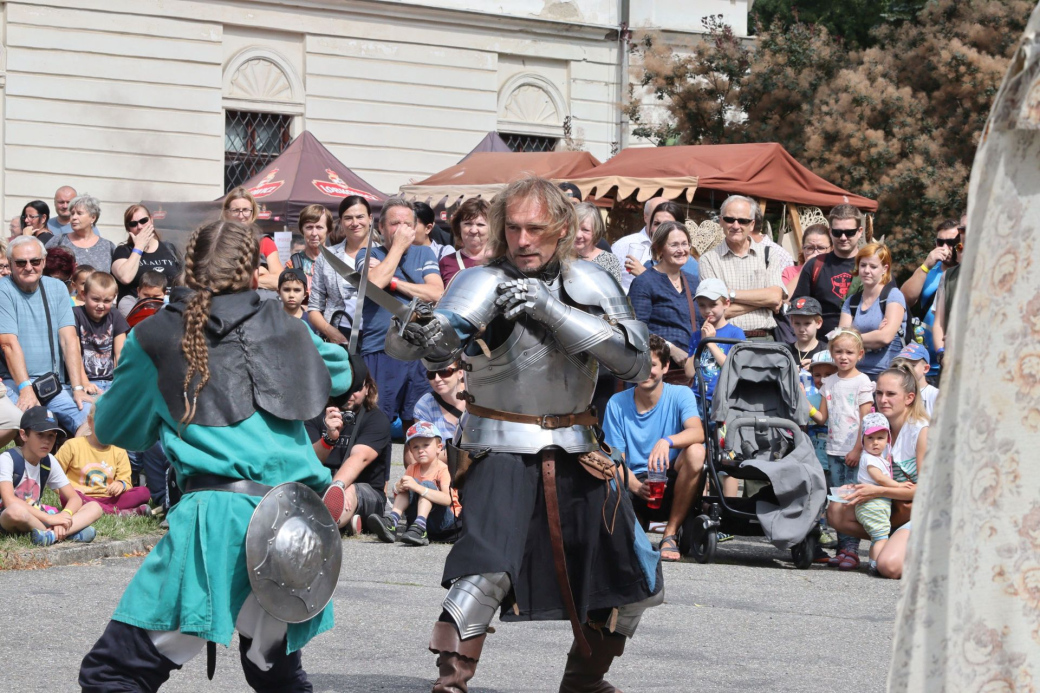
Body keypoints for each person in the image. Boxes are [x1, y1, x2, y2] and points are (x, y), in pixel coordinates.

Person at [393, 176, 661, 692]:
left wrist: (550, 309)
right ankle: (450, 683)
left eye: (534, 228)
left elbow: (634, 360)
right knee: (484, 571)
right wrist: (421, 336)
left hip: (580, 449)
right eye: (512, 228)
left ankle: (583, 680)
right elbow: (445, 337)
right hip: (498, 444)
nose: (522, 240)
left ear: (562, 228)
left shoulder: (591, 281)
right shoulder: (480, 280)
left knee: (628, 579)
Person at [78, 219, 353, 691]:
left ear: (189, 268)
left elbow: (117, 428)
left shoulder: (157, 336)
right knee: (278, 678)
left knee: (113, 674)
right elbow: (341, 373)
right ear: (254, 274)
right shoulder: (289, 328)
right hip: (294, 524)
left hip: (220, 522)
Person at [604, 334, 706, 562]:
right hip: (634, 480)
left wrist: (667, 441)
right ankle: (636, 523)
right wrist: (636, 486)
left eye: (652, 365)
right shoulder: (617, 403)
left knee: (697, 451)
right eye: (639, 364)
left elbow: (698, 432)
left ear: (666, 367)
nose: (644, 371)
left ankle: (670, 533)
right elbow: (614, 457)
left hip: (670, 478)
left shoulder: (681, 394)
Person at [830, 364, 927, 580]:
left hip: (923, 512)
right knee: (836, 509)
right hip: (894, 506)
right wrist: (860, 488)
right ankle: (893, 540)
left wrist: (876, 491)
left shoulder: (921, 430)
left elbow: (928, 492)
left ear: (909, 398)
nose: (883, 400)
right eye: (879, 393)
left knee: (889, 567)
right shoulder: (878, 427)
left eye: (891, 394)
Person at [355, 197, 443, 429]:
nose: (401, 229)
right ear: (381, 227)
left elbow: (436, 293)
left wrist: (393, 283)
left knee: (419, 429)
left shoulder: (425, 254)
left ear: (415, 228)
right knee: (375, 424)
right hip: (380, 350)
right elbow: (374, 283)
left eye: (407, 224)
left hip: (418, 352)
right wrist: (397, 247)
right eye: (394, 223)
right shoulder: (366, 254)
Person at [0, 236, 93, 435]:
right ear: (10, 264)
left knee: (91, 419)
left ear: (43, 262)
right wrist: (25, 389)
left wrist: (77, 387)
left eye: (35, 261)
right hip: (15, 382)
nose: (28, 267)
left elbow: (69, 340)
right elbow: (8, 344)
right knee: (32, 427)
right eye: (20, 262)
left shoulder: (58, 288)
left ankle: (72, 464)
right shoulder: (3, 289)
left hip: (52, 383)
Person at [807, 328, 874, 570]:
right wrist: (807, 407)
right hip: (833, 450)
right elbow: (822, 418)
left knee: (851, 501)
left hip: (853, 451)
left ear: (860, 354)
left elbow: (866, 420)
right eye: (838, 352)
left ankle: (851, 550)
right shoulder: (829, 382)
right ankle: (843, 547)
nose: (843, 357)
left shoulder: (862, 382)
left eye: (849, 352)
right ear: (831, 353)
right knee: (836, 499)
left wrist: (858, 449)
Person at [311, 361, 392, 536]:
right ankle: (346, 522)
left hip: (365, 491)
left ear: (368, 388)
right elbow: (309, 460)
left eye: (356, 389)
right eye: (344, 389)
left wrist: (337, 487)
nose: (349, 395)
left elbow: (359, 457)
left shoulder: (377, 420)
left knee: (350, 490)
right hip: (323, 483)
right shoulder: (316, 415)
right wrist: (329, 439)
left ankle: (326, 519)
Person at [0, 407, 102, 545]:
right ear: (23, 435)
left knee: (94, 507)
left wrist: (64, 515)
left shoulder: (48, 460)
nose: (46, 441)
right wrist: (50, 519)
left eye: (51, 435)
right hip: (8, 517)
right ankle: (67, 533)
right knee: (15, 511)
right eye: (40, 435)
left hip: (37, 517)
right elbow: (9, 501)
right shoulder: (8, 458)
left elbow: (74, 498)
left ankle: (51, 535)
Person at [698, 195, 785, 340]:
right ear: (721, 221)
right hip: (725, 339)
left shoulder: (769, 254)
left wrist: (730, 294)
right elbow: (714, 312)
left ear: (752, 224)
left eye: (743, 221)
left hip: (763, 339)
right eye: (730, 219)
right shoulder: (708, 260)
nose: (736, 226)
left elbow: (775, 298)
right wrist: (763, 303)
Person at [369, 421, 461, 546]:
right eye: (415, 447)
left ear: (439, 447)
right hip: (415, 519)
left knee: (426, 485)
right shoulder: (412, 468)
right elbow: (404, 495)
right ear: (411, 451)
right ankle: (392, 522)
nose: (420, 450)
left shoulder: (443, 470)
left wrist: (418, 488)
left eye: (426, 445)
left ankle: (420, 527)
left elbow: (447, 499)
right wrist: (398, 488)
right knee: (408, 484)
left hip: (443, 523)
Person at [55, 406, 150, 516]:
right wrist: (69, 491)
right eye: (102, 423)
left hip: (109, 498)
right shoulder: (72, 446)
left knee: (144, 492)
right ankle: (118, 513)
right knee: (68, 497)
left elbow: (126, 481)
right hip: (81, 497)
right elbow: (54, 475)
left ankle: (108, 510)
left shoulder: (119, 450)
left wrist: (120, 484)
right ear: (90, 422)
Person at [629, 220, 698, 367]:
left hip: (691, 365)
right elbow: (637, 329)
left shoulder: (693, 282)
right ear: (659, 249)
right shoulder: (645, 282)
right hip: (658, 366)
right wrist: (671, 349)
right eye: (674, 245)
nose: (681, 250)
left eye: (685, 244)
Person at [899, 218, 961, 379]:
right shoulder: (929, 270)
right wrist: (926, 265)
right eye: (940, 242)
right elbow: (904, 299)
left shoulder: (967, 272)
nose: (945, 248)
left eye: (951, 242)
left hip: (954, 361)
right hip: (923, 365)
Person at [791, 204, 865, 339]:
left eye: (849, 232)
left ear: (860, 231)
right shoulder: (815, 265)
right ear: (830, 232)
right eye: (837, 232)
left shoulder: (872, 265)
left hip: (864, 343)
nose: (843, 237)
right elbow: (798, 308)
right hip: (821, 346)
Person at [307, 195, 370, 345]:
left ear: (370, 219)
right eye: (348, 218)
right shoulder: (327, 257)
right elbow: (315, 306)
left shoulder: (384, 254)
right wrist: (329, 331)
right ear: (341, 222)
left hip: (376, 334)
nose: (355, 223)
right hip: (339, 333)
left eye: (360, 217)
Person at [839, 243, 907, 379]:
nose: (866, 271)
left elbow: (885, 337)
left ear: (884, 269)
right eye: (863, 265)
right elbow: (841, 340)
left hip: (887, 374)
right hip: (854, 374)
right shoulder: (851, 302)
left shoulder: (893, 295)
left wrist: (854, 336)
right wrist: (875, 335)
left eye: (873, 266)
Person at [111, 204, 181, 317]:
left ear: (151, 220)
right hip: (135, 313)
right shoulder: (123, 251)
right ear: (128, 228)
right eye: (133, 224)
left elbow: (181, 280)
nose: (139, 226)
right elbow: (125, 277)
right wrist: (138, 247)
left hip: (167, 312)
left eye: (143, 221)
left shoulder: (169, 248)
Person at [851, 412, 900, 573]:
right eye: (870, 438)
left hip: (875, 505)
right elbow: (880, 479)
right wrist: (898, 486)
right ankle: (877, 564)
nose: (875, 443)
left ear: (888, 439)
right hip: (872, 505)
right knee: (881, 537)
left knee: (877, 537)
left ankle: (873, 562)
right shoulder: (869, 459)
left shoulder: (878, 458)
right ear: (863, 440)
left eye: (880, 438)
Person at [73, 272, 129, 395]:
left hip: (111, 380)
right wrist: (84, 382)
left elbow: (121, 354)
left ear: (114, 298)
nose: (101, 305)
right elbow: (74, 353)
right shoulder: (75, 315)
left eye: (107, 301)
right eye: (95, 299)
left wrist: (122, 381)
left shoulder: (115, 316)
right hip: (85, 381)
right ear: (83, 294)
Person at [222, 187, 282, 291]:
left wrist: (238, 279)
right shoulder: (218, 242)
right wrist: (260, 274)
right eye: (236, 210)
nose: (241, 216)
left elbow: (280, 281)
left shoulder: (265, 242)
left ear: (253, 212)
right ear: (227, 213)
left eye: (245, 210)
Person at [930, 213, 966, 372]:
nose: (965, 233)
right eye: (962, 229)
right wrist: (942, 355)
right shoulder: (947, 276)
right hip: (948, 365)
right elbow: (938, 323)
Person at [610, 195, 666, 292]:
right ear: (646, 217)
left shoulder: (678, 252)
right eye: (657, 221)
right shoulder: (623, 245)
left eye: (667, 221)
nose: (663, 227)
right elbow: (608, 283)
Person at [46, 194, 114, 273]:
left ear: (93, 217)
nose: (74, 217)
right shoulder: (59, 241)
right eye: (72, 213)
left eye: (79, 213)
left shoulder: (107, 246)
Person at [412, 362, 466, 447]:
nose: (437, 379)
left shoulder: (479, 398)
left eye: (444, 372)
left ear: (460, 373)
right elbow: (425, 450)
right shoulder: (425, 406)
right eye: (431, 374)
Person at [439, 197, 490, 285]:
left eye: (480, 225)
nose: (473, 230)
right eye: (468, 224)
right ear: (459, 227)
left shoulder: (501, 260)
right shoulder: (447, 262)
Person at [574, 202, 622, 284]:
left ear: (596, 232)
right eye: (574, 227)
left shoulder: (609, 261)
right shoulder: (558, 255)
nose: (578, 235)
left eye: (585, 230)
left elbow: (614, 294)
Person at [890, 343, 939, 417]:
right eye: (901, 365)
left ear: (926, 368)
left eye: (912, 366)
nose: (905, 369)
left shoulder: (935, 395)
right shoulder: (894, 392)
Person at [783, 223, 832, 296]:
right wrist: (805, 269)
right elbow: (784, 299)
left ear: (831, 248)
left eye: (821, 248)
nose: (815, 253)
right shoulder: (789, 272)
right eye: (810, 248)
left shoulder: (836, 272)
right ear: (803, 248)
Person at [288, 204, 332, 280]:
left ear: (328, 230)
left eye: (319, 227)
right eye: (309, 227)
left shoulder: (338, 261)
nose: (314, 233)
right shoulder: (293, 264)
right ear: (302, 230)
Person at [787, 296, 827, 368]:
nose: (801, 329)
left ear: (818, 323)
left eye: (807, 323)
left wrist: (816, 368)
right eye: (797, 323)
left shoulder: (826, 352)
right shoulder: (786, 351)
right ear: (792, 322)